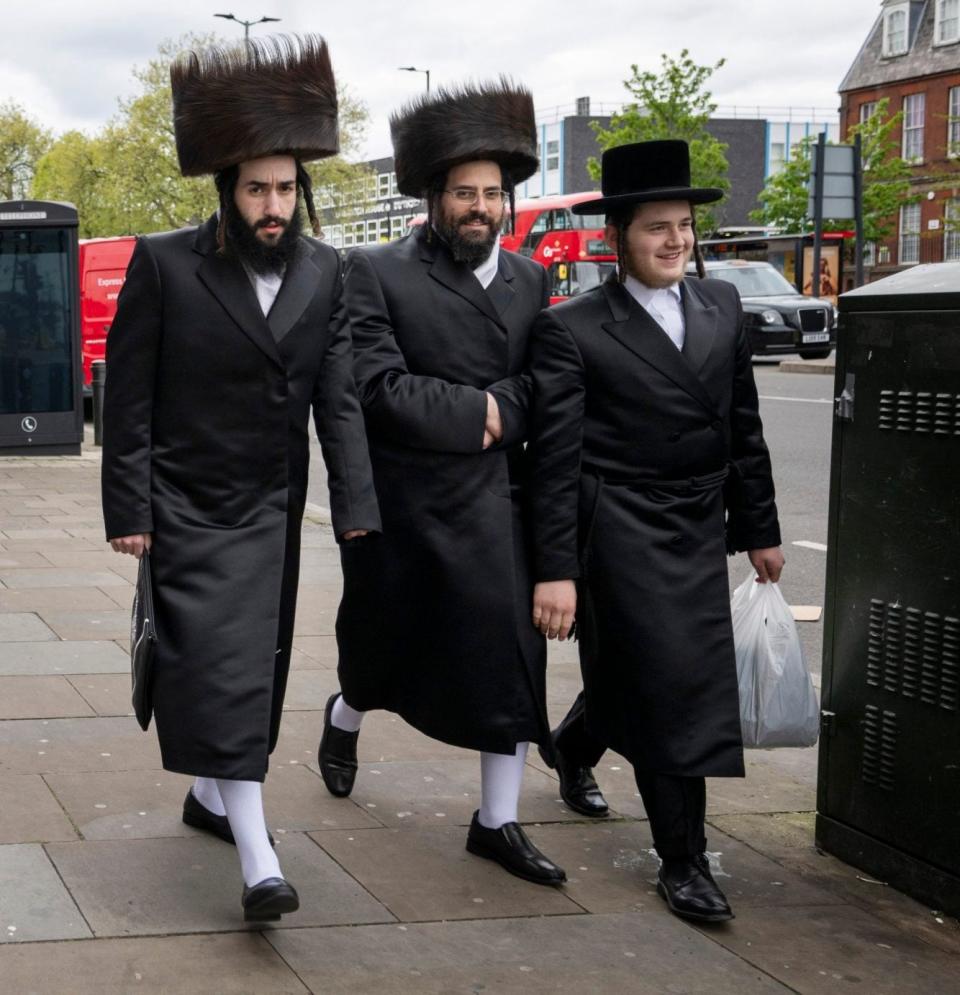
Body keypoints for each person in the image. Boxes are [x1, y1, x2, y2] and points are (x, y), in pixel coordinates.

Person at [101, 35, 380, 922]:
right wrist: (130, 507)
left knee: (252, 672)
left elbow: (338, 400)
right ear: (227, 188)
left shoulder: (328, 271)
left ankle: (212, 799)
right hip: (186, 506)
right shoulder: (165, 264)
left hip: (271, 508)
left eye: (287, 188)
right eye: (257, 187)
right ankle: (261, 859)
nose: (273, 205)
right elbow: (130, 396)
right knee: (223, 675)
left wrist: (357, 507)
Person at [529, 140, 784, 922]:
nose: (676, 241)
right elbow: (555, 460)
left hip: (697, 523)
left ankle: (572, 747)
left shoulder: (721, 307)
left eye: (684, 226)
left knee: (645, 677)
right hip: (620, 529)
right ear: (617, 239)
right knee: (675, 687)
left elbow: (744, 426)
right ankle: (685, 861)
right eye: (656, 229)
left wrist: (761, 529)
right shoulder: (574, 327)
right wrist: (556, 569)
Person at [321, 81, 566, 886]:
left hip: (499, 508)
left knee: (511, 658)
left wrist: (505, 411)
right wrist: (487, 413)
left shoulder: (532, 282)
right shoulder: (376, 270)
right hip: (410, 505)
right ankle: (344, 712)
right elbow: (378, 386)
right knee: (379, 649)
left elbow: (548, 382)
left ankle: (496, 820)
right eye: (466, 192)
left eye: (494, 194)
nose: (481, 207)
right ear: (435, 197)